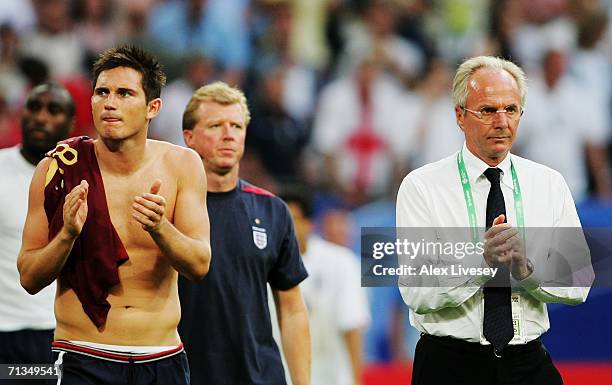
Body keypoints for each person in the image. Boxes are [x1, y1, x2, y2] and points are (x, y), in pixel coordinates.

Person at [17, 45, 211, 385]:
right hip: (81, 356)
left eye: (124, 93)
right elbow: (30, 278)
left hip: (161, 358)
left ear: (153, 107)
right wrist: (66, 235)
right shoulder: (58, 167)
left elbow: (199, 265)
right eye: (102, 92)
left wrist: (160, 228)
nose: (109, 102)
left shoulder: (183, 165)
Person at [396, 56, 593, 385]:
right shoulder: (422, 186)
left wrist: (526, 270)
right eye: (488, 110)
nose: (502, 121)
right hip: (448, 366)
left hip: (527, 362)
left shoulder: (549, 183)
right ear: (460, 115)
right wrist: (481, 261)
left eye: (511, 109)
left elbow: (580, 280)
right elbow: (417, 292)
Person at [179, 81, 310, 385]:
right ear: (190, 137)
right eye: (215, 125)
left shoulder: (273, 211)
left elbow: (291, 309)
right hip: (183, 375)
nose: (228, 134)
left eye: (236, 126)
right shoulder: (165, 209)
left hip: (259, 376)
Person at [0, 83, 74, 385]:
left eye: (53, 110)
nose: (41, 117)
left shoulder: (84, 178)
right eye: (34, 107)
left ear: (70, 123)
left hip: (57, 333)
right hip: (4, 332)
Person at [279, 188, 370, 385]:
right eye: (278, 220)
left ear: (309, 223)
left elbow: (352, 325)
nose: (284, 227)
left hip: (331, 377)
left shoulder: (341, 263)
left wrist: (356, 380)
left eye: (292, 219)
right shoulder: (263, 265)